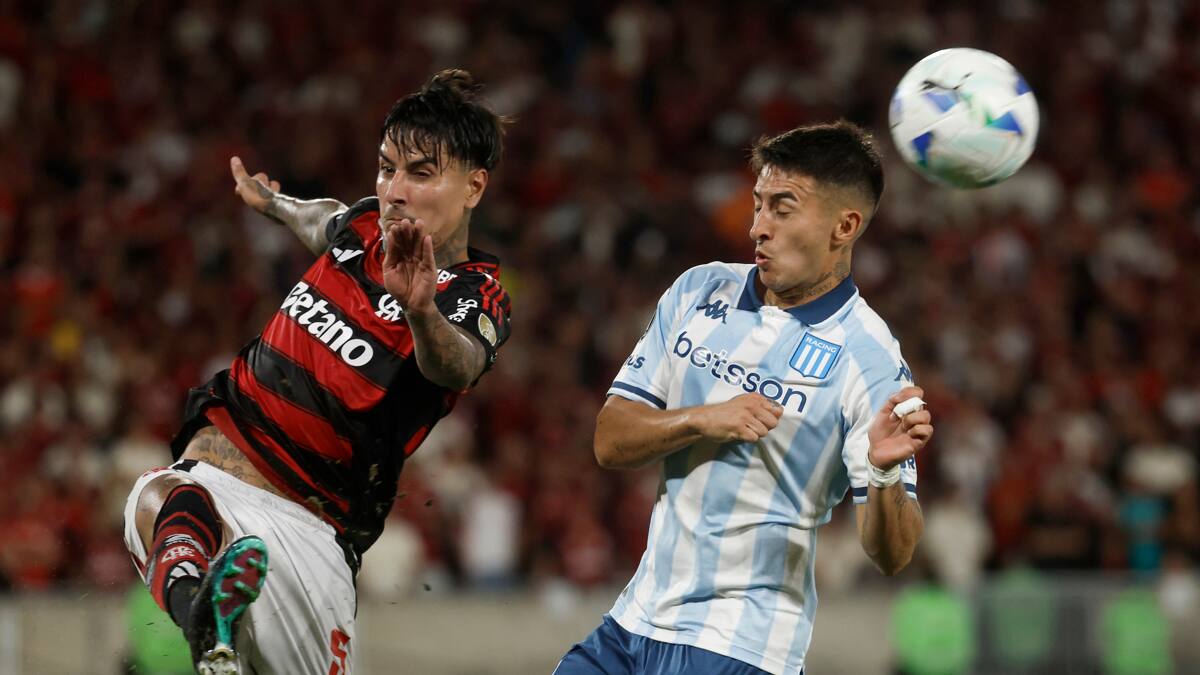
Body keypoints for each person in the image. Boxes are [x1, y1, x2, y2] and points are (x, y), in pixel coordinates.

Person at [122, 69, 512, 675]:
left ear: (474, 188)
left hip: (307, 534)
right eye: (386, 168)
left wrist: (420, 310)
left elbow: (456, 364)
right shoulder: (361, 229)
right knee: (156, 494)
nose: (394, 191)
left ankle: (212, 619)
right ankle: (201, 613)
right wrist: (273, 203)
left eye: (421, 173)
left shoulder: (472, 294)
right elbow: (325, 220)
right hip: (219, 471)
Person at [555, 121, 931, 675]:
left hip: (742, 646)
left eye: (782, 208)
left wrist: (880, 475)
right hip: (633, 623)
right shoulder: (699, 289)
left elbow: (893, 554)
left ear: (843, 226)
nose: (757, 227)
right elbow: (610, 441)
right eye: (758, 204)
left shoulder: (869, 358)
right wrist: (703, 419)